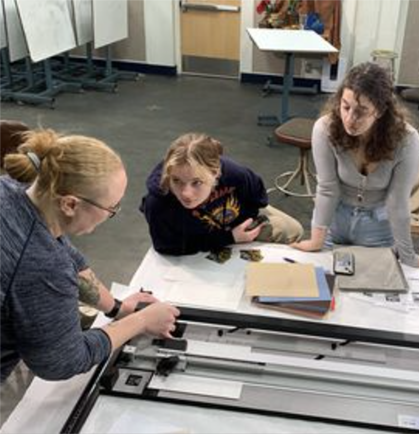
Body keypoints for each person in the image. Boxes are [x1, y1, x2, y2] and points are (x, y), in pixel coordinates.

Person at [0, 129, 180, 387]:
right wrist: (140, 321)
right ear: (70, 204)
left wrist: (118, 308)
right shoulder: (39, 264)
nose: (111, 214)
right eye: (111, 208)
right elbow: (61, 361)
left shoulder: (15, 188)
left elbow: (63, 251)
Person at [291, 62, 419, 267]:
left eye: (362, 111)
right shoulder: (325, 128)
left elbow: (397, 202)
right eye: (345, 106)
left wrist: (408, 256)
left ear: (381, 111)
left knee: (375, 287)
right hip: (335, 220)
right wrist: (316, 241)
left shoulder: (407, 140)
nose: (350, 118)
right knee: (322, 280)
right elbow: (327, 189)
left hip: (378, 225)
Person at [140, 132, 303, 255]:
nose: (186, 193)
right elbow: (168, 246)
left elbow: (257, 199)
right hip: (201, 239)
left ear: (216, 173)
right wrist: (228, 238)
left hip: (235, 222)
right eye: (176, 181)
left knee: (295, 230)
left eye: (196, 183)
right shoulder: (158, 203)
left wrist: (242, 227)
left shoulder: (236, 174)